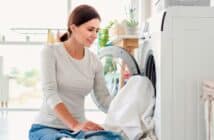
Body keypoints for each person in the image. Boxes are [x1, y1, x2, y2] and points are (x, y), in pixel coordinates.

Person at [28, 4, 122, 140]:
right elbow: (50, 92)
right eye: (90, 29)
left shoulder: (94, 61)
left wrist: (125, 108)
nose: (95, 35)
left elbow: (104, 99)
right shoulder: (50, 52)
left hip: (78, 130)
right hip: (47, 128)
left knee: (114, 138)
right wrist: (75, 125)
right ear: (73, 28)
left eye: (97, 30)